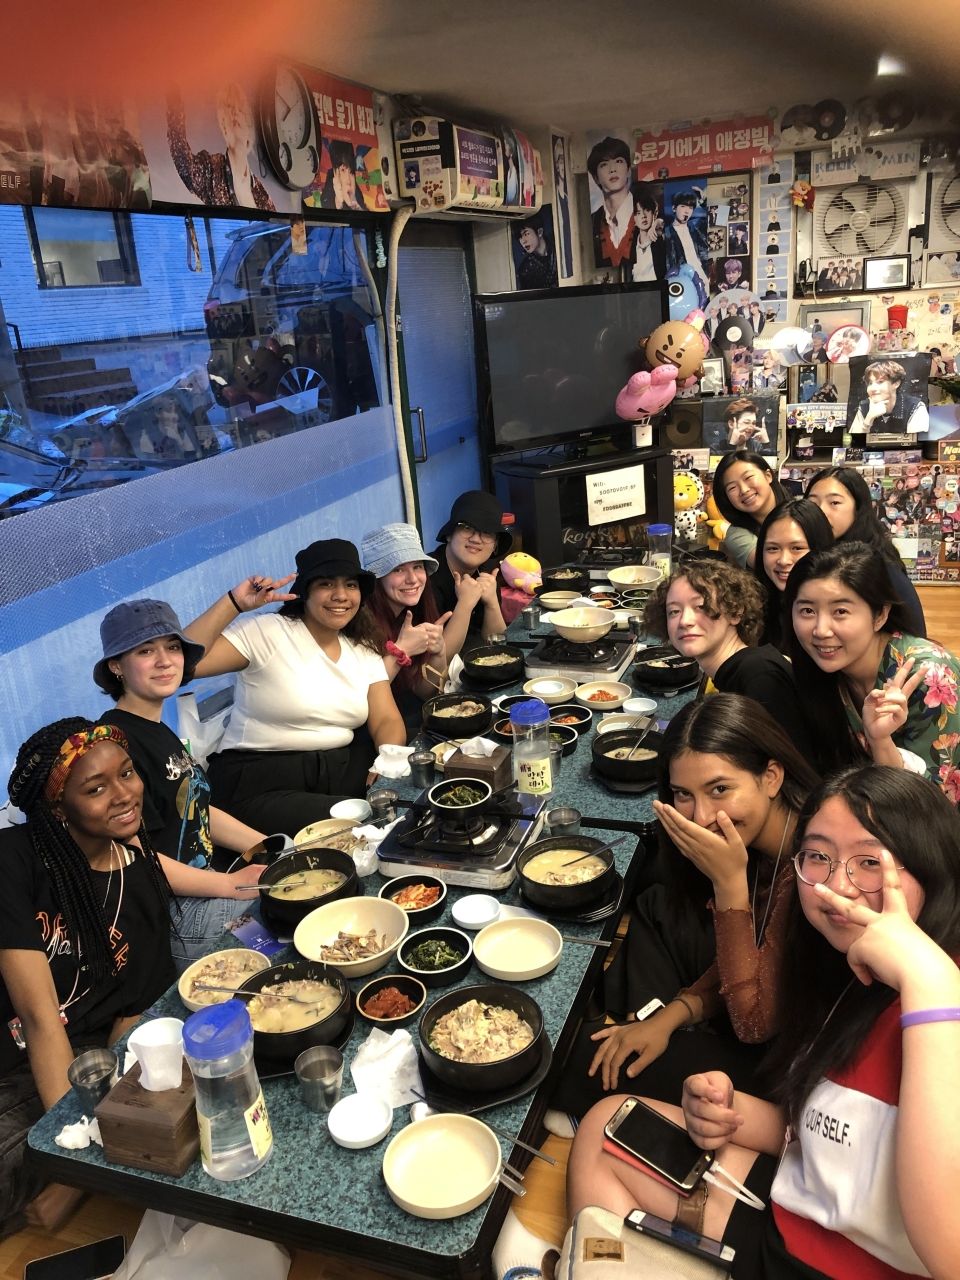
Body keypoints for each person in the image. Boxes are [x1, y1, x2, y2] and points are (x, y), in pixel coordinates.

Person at [568, 764, 960, 1280]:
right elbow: (832, 1134)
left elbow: (949, 1252)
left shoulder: (935, 1001)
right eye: (818, 856)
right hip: (795, 1215)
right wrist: (732, 1112)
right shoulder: (847, 974)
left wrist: (930, 981)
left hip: (833, 1265)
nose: (835, 887)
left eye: (869, 862)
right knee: (606, 1125)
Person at [560, 695, 819, 1118]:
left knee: (572, 1060)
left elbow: (754, 1024)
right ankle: (643, 1020)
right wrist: (671, 1017)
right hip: (750, 1012)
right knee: (658, 903)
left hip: (790, 1073)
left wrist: (729, 882)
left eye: (720, 789)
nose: (701, 816)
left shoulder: (814, 863)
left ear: (771, 776)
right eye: (683, 794)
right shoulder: (772, 841)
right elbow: (759, 955)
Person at [0, 719, 174, 1235]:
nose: (124, 795)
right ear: (59, 807)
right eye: (96, 788)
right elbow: (38, 1019)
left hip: (82, 1062)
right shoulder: (14, 861)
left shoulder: (139, 875)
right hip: (17, 1054)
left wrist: (82, 1154)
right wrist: (75, 1158)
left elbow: (130, 1014)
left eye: (127, 774)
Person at [93, 600, 270, 972]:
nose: (165, 660)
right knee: (288, 918)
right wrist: (230, 884)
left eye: (172, 647)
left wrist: (270, 847)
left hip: (206, 889)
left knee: (302, 880)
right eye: (145, 651)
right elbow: (132, 855)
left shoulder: (156, 728)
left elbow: (196, 810)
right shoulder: (114, 743)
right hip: (175, 918)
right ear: (116, 667)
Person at [188, 539, 406, 835]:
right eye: (327, 584)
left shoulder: (362, 647)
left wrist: (387, 762)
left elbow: (386, 719)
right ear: (305, 591)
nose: (340, 596)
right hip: (261, 780)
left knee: (411, 792)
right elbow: (184, 664)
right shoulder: (266, 632)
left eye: (351, 585)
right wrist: (234, 604)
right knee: (366, 822)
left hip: (337, 769)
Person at [784, 542, 960, 795]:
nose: (821, 630)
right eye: (807, 610)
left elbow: (929, 802)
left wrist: (880, 741)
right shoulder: (822, 671)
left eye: (841, 611)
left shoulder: (931, 675)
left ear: (880, 615)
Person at [643, 562, 811, 752]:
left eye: (700, 606)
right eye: (674, 611)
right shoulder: (736, 671)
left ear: (735, 613)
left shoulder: (759, 675)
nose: (685, 621)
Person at [804, 465, 925, 635]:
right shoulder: (822, 552)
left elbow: (913, 631)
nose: (822, 511)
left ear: (858, 508)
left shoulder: (876, 562)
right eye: (813, 503)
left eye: (835, 503)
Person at [360, 523, 455, 734]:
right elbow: (359, 699)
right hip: (370, 735)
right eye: (398, 569)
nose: (412, 579)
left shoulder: (409, 612)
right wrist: (401, 651)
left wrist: (439, 652)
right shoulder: (359, 621)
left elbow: (427, 693)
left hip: (408, 719)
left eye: (417, 567)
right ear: (377, 578)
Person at [166, 84, 275, 211]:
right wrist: (173, 98)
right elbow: (182, 158)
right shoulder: (211, 169)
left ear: (248, 124)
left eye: (240, 109)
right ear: (223, 125)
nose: (235, 114)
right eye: (229, 109)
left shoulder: (262, 195)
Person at [429, 491, 511, 653]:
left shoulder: (487, 571)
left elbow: (498, 649)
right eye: (467, 528)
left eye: (487, 532)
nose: (476, 539)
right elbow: (437, 662)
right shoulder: (425, 576)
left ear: (495, 545)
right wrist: (465, 604)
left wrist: (492, 603)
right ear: (449, 535)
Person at [754, 498, 833, 648]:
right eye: (772, 548)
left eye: (797, 548)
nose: (783, 560)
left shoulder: (844, 606)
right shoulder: (754, 608)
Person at [711, 449, 787, 570]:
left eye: (748, 477)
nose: (744, 490)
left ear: (768, 476)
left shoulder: (801, 510)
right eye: (732, 487)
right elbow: (773, 566)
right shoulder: (737, 535)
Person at [587, 136, 634, 268]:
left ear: (629, 170)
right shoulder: (593, 222)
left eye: (619, 161)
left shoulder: (646, 214)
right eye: (604, 164)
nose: (612, 169)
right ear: (596, 178)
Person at [849, 359, 929, 435]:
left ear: (896, 384)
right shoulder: (864, 406)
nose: (873, 388)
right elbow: (854, 443)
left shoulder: (915, 406)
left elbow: (919, 443)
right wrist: (869, 419)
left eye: (880, 382)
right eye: (870, 383)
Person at [664, 190, 709, 282]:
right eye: (683, 206)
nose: (687, 211)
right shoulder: (667, 232)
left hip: (702, 274)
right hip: (683, 278)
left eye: (690, 207)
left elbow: (714, 217)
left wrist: (703, 201)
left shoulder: (696, 226)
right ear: (674, 208)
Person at [629, 183, 666, 283]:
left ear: (654, 212)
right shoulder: (631, 245)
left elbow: (670, 223)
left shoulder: (659, 237)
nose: (643, 216)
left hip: (658, 293)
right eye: (638, 213)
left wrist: (659, 221)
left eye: (647, 210)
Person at [320, 139, 367, 211]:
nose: (349, 179)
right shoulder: (328, 195)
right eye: (343, 170)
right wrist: (339, 201)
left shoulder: (358, 197)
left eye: (351, 171)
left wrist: (355, 204)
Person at [515, 217, 558, 289]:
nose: (523, 241)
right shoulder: (525, 269)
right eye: (519, 237)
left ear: (540, 232)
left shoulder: (558, 244)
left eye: (526, 234)